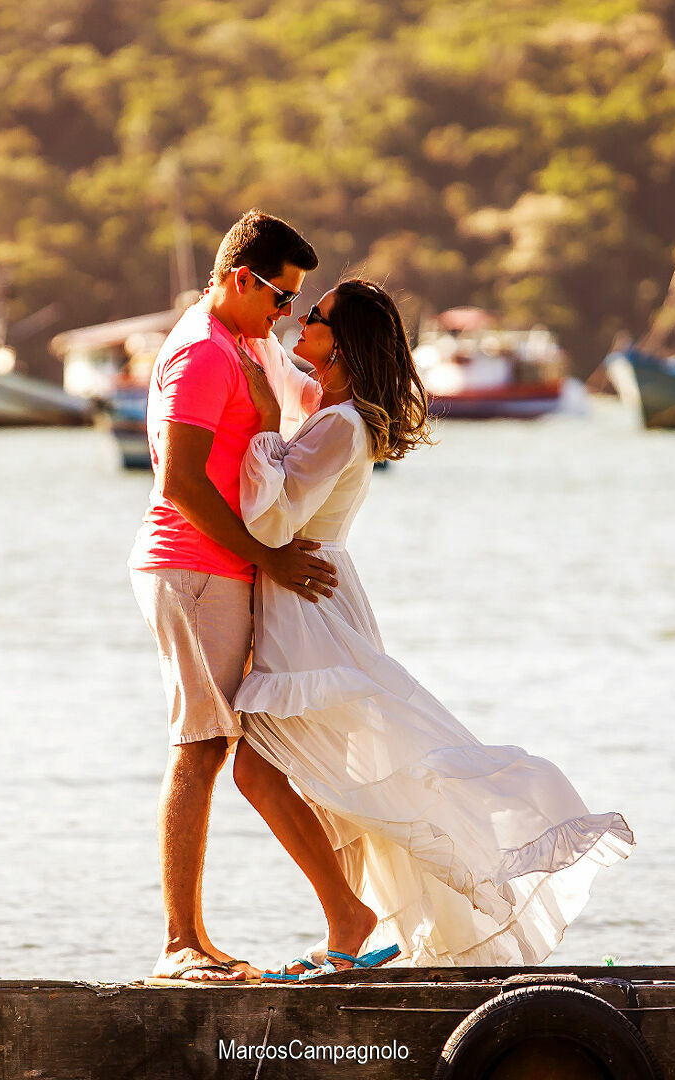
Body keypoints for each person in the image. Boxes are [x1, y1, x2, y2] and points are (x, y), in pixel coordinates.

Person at [229, 280, 634, 976]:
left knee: (281, 772)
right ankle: (347, 921)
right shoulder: (333, 415)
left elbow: (272, 519)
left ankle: (348, 917)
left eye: (316, 317)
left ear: (343, 340)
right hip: (309, 600)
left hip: (306, 609)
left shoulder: (339, 424)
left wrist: (262, 424)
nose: (301, 321)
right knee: (327, 778)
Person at [129, 210, 337, 983]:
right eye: (280, 298)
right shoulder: (202, 353)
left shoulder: (236, 340)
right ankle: (179, 942)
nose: (285, 315)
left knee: (227, 747)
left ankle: (209, 937)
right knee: (199, 746)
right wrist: (268, 559)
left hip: (221, 568)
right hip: (191, 568)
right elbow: (178, 484)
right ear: (241, 279)